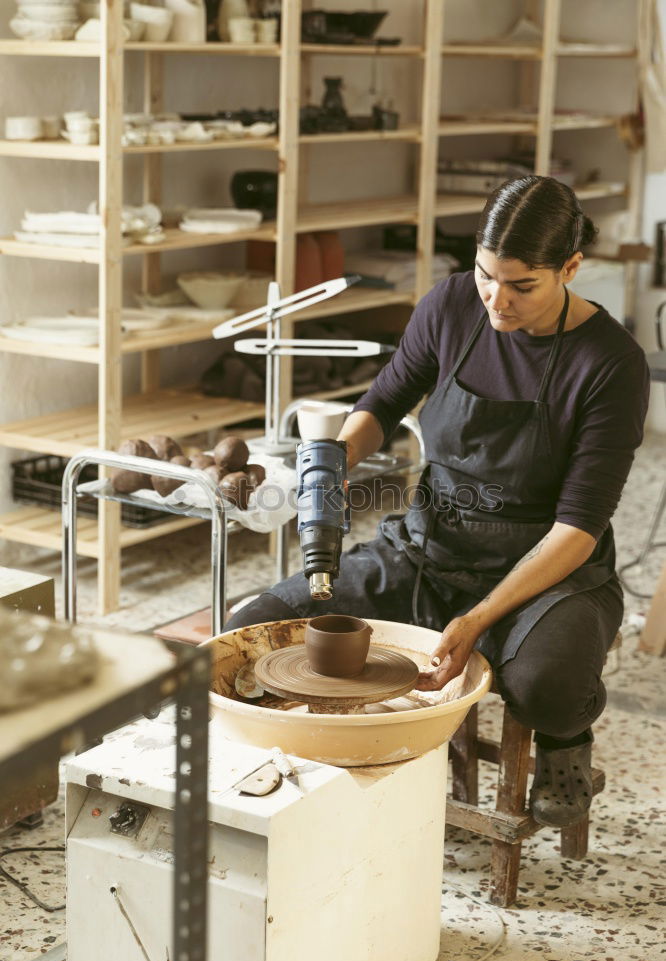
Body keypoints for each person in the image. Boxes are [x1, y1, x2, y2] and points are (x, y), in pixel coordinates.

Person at [224, 176, 650, 828]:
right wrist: (337, 463)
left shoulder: (610, 362)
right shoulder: (452, 306)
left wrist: (479, 617)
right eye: (485, 276)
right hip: (430, 546)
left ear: (570, 267)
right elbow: (382, 405)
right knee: (264, 623)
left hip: (547, 572)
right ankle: (320, 785)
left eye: (522, 286)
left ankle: (567, 741)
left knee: (546, 687)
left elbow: (579, 528)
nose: (497, 301)